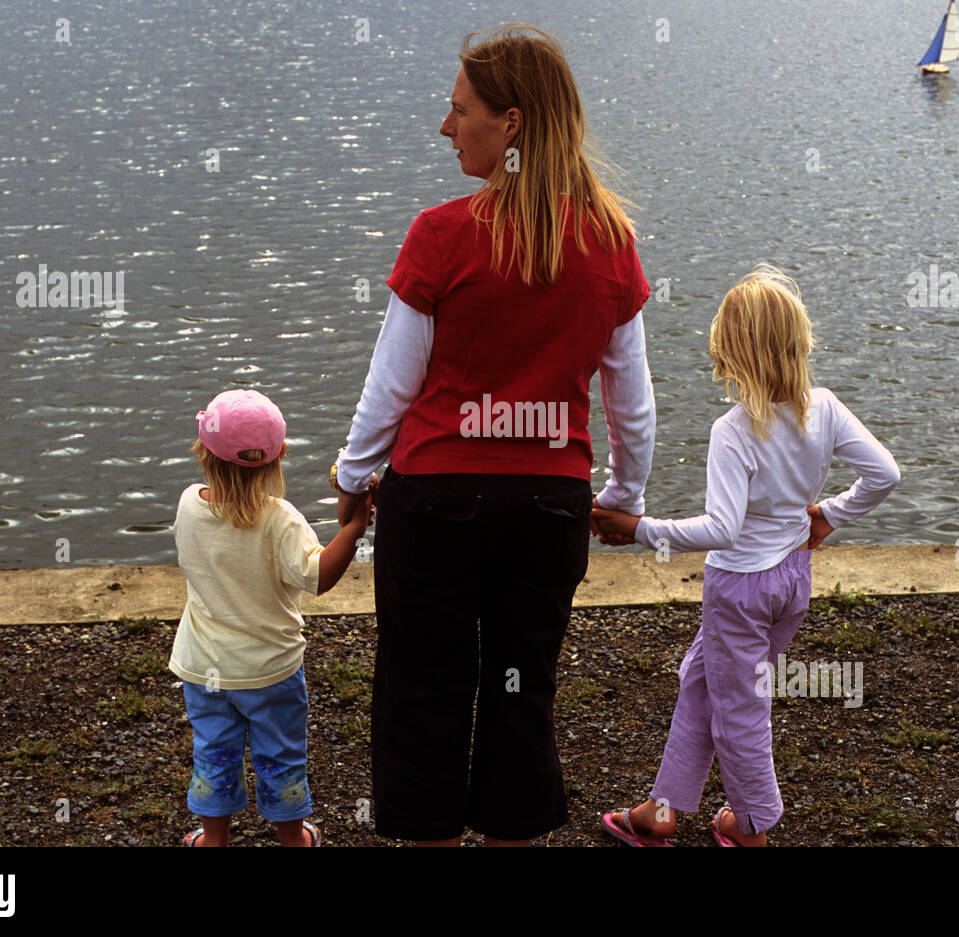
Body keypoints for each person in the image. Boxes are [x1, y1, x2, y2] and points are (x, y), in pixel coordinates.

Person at [330, 23, 655, 846]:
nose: (447, 126)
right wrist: (622, 496)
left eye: (459, 109)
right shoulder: (609, 241)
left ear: (510, 123)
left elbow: (392, 383)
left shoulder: (441, 234)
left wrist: (354, 474)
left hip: (436, 503)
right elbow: (632, 401)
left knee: (422, 689)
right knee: (522, 691)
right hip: (548, 509)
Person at [592, 264, 900, 846]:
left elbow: (721, 528)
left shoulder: (733, 430)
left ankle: (753, 825)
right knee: (700, 681)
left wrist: (637, 529)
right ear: (797, 343)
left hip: (739, 591)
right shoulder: (826, 409)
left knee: (740, 709)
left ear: (730, 352)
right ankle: (661, 811)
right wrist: (830, 515)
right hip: (791, 581)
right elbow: (885, 474)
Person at [170, 388, 373, 847]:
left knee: (215, 754)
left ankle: (213, 839)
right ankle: (292, 839)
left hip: (205, 668)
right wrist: (354, 529)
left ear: (203, 451)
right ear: (279, 456)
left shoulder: (187, 505)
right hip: (269, 670)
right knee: (280, 756)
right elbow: (318, 576)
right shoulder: (281, 520)